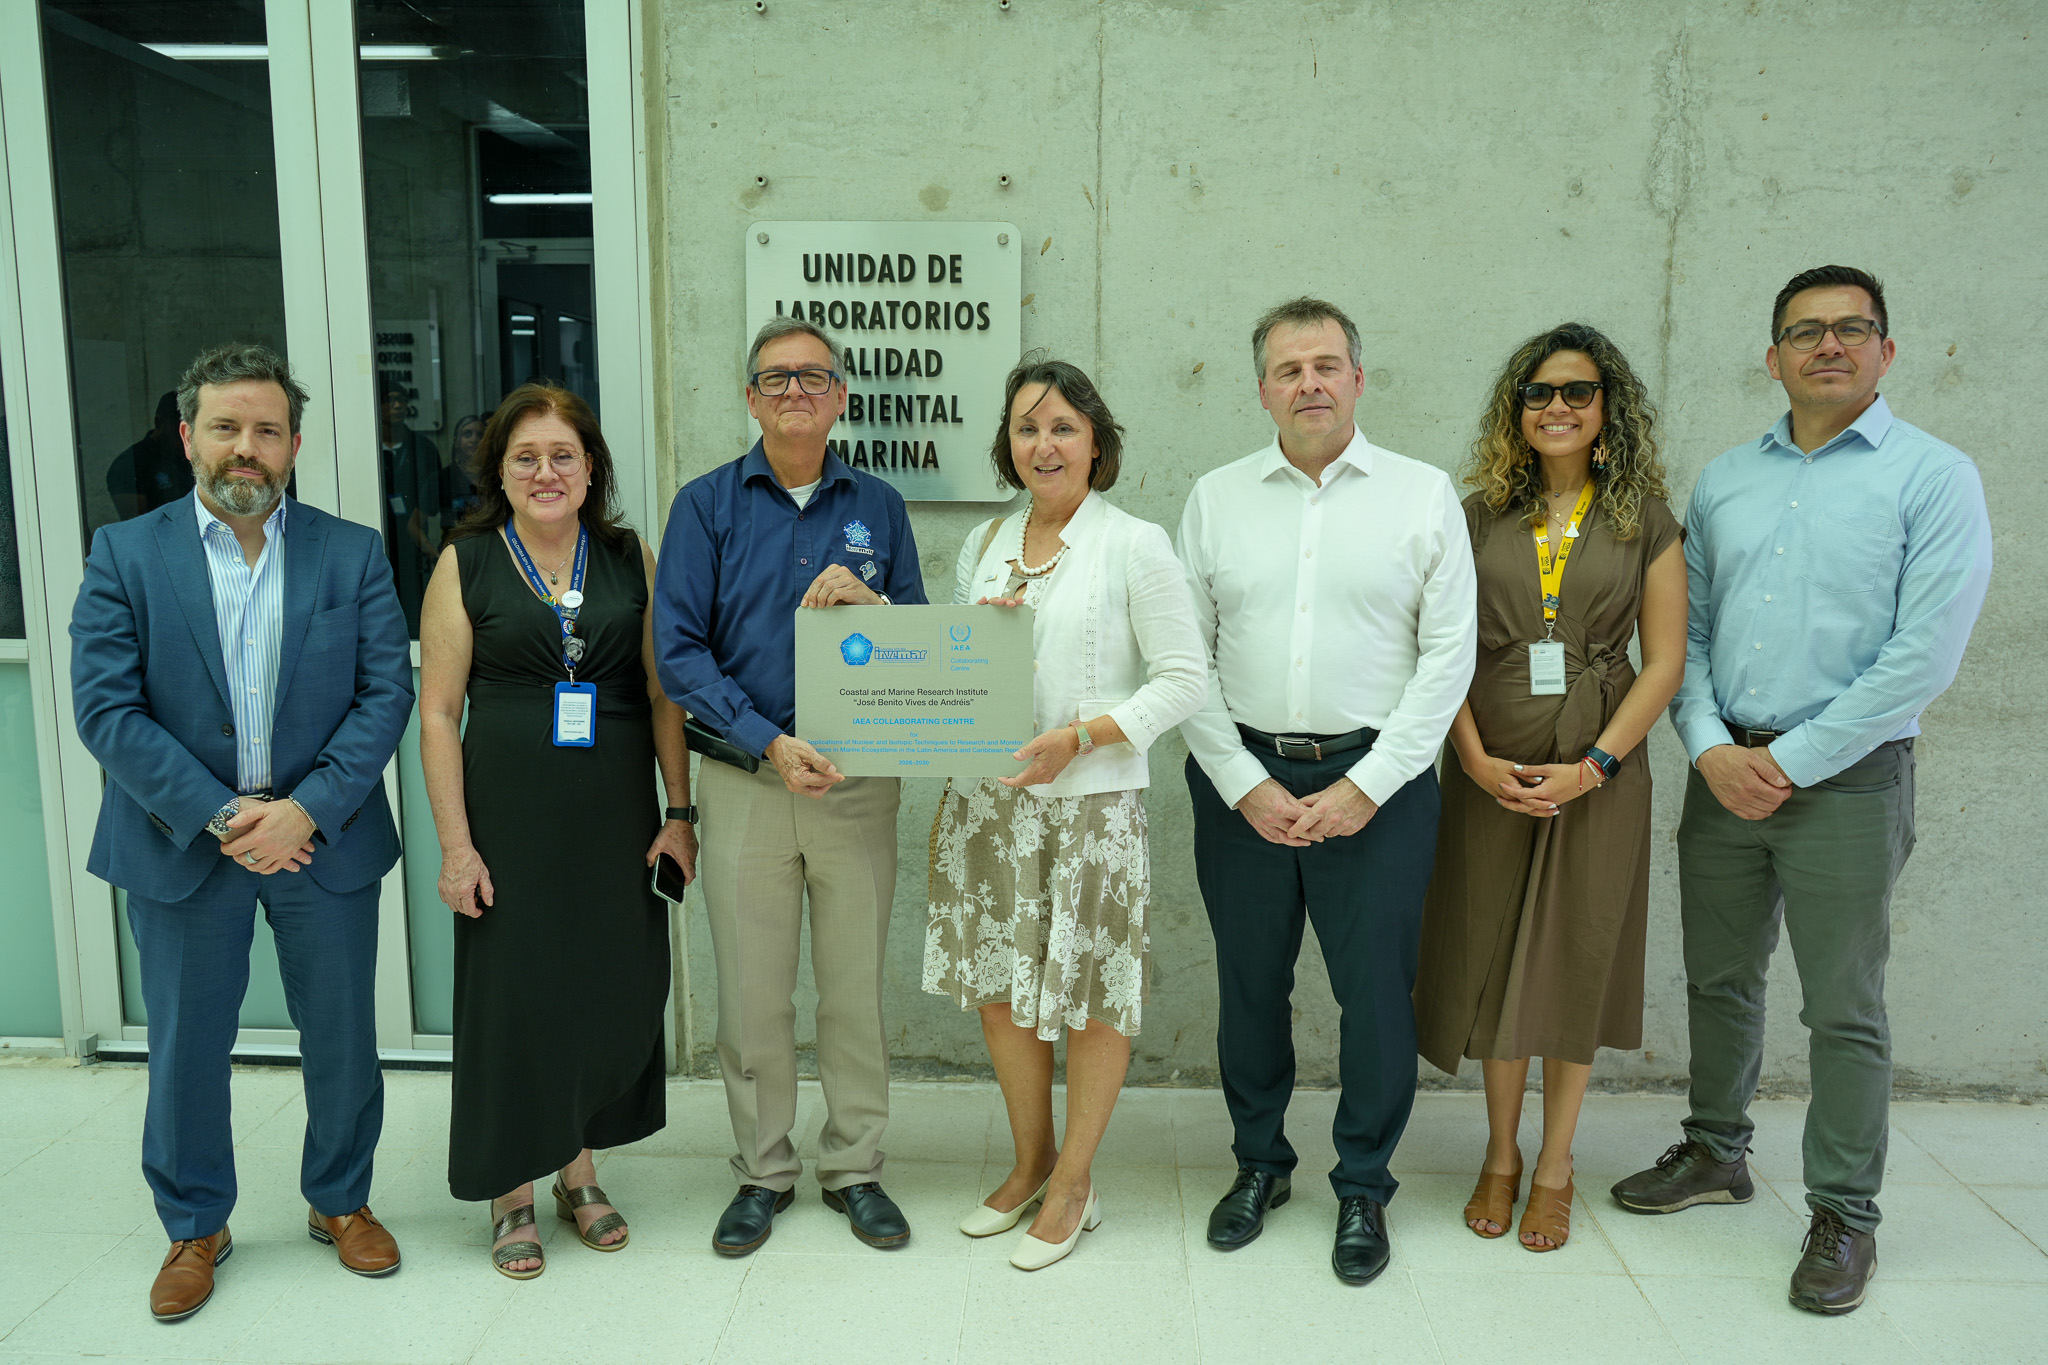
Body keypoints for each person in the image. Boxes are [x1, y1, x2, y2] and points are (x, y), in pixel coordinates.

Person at [1612, 266, 1993, 1315]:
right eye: (1803, 332)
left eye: (1849, 328)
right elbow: (1675, 633)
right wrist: (1703, 745)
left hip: (1846, 780)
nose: (1826, 345)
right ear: (1771, 355)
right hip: (1720, 769)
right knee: (1718, 978)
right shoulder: (1725, 479)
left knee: (1843, 1008)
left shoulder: (1932, 476)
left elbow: (1922, 654)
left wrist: (1791, 760)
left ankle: (1842, 1216)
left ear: (1884, 349)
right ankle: (1714, 1152)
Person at [68, 343, 414, 1321]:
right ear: (187, 439)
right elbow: (107, 711)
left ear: (295, 443)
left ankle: (340, 1201)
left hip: (325, 836)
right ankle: (194, 1223)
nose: (246, 449)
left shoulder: (351, 553)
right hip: (183, 842)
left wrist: (306, 808)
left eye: (267, 430)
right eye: (225, 427)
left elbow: (385, 691)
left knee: (342, 1034)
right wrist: (223, 815)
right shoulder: (125, 556)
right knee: (185, 1042)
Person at [1179, 297, 1477, 1286]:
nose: (1306, 382)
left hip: (1378, 786)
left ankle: (1362, 1185)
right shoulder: (1215, 498)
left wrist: (1366, 784)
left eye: (1325, 364)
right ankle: (1258, 1165)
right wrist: (1239, 782)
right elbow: (1186, 661)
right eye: (1285, 368)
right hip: (1241, 784)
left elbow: (1446, 659)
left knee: (1374, 1000)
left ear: (1357, 378)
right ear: (1259, 387)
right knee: (1249, 986)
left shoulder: (1419, 494)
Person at [654, 316, 928, 1256]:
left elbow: (922, 640)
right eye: (777, 379)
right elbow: (678, 651)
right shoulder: (706, 506)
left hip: (856, 787)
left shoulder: (881, 507)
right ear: (751, 397)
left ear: (841, 396)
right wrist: (769, 741)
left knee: (853, 988)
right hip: (746, 784)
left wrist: (877, 604)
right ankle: (763, 1170)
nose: (796, 393)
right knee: (752, 994)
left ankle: (855, 1166)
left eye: (814, 378)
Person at [925, 358, 1205, 1270]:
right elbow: (956, 667)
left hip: (1089, 809)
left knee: (1089, 998)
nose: (1043, 444)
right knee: (1003, 990)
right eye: (1025, 429)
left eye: (1062, 427)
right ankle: (1030, 1160)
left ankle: (1076, 1179)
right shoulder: (988, 542)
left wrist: (1081, 735)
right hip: (988, 805)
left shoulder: (1135, 543)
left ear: (1096, 441)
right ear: (1007, 447)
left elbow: (1185, 681)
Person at [1411, 323, 1686, 1251]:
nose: (1557, 406)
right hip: (1487, 765)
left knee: (1573, 960)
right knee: (1492, 960)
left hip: (1599, 774)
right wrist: (1478, 760)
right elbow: (1438, 651)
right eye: (1539, 392)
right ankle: (1500, 1152)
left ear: (1608, 406)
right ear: (1515, 410)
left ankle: (1557, 1161)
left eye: (1577, 390)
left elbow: (1664, 662)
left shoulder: (1641, 514)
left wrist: (1597, 764)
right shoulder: (1473, 511)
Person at [419, 383, 692, 1279]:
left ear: (590, 469)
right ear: (500, 469)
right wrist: (457, 845)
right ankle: (511, 1191)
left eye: (563, 455)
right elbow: (437, 711)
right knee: (513, 1000)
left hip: (613, 820)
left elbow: (661, 696)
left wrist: (678, 814)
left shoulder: (626, 556)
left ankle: (579, 1167)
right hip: (508, 820)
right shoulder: (467, 561)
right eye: (526, 456)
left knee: (604, 989)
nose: (546, 471)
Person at [377, 382, 442, 631]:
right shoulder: (367, 448)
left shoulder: (423, 448)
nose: (397, 406)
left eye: (401, 400)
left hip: (415, 545)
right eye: (390, 400)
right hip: (377, 534)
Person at [105, 391, 195, 521]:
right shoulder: (130, 464)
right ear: (159, 422)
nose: (185, 438)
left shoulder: (191, 456)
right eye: (178, 431)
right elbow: (136, 523)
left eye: (191, 431)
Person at [440, 413, 485, 528]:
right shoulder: (443, 478)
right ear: (456, 441)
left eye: (480, 435)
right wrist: (432, 547)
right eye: (467, 434)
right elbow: (414, 525)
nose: (474, 440)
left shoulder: (496, 476)